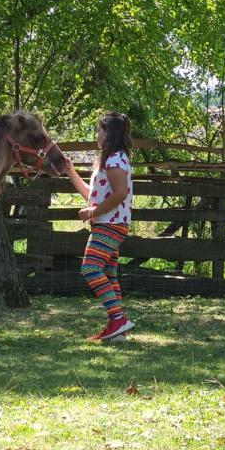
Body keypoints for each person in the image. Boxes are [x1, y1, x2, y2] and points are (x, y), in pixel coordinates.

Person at [64, 112, 134, 342]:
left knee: (90, 268)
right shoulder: (113, 160)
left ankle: (117, 319)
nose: (97, 134)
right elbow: (92, 195)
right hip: (110, 224)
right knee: (109, 275)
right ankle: (118, 331)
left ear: (109, 134)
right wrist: (70, 171)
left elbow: (120, 194)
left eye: (99, 130)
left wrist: (92, 213)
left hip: (110, 225)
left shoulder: (114, 161)